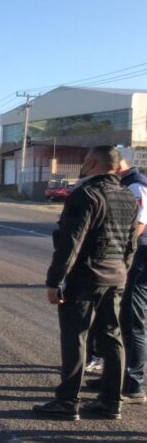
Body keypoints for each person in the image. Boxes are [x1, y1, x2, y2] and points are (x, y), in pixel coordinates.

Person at [36, 146, 139, 420]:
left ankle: (68, 402)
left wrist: (55, 280)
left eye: (84, 161)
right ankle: (110, 402)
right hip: (116, 275)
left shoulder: (86, 194)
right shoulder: (128, 195)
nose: (82, 165)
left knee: (75, 337)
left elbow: (71, 242)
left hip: (86, 276)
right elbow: (131, 242)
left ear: (92, 163)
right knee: (111, 337)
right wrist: (123, 270)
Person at [86, 159, 147, 404]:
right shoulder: (126, 184)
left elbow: (140, 224)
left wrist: (120, 247)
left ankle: (134, 384)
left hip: (141, 256)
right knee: (120, 318)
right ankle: (116, 376)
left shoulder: (135, 185)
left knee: (133, 320)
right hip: (135, 255)